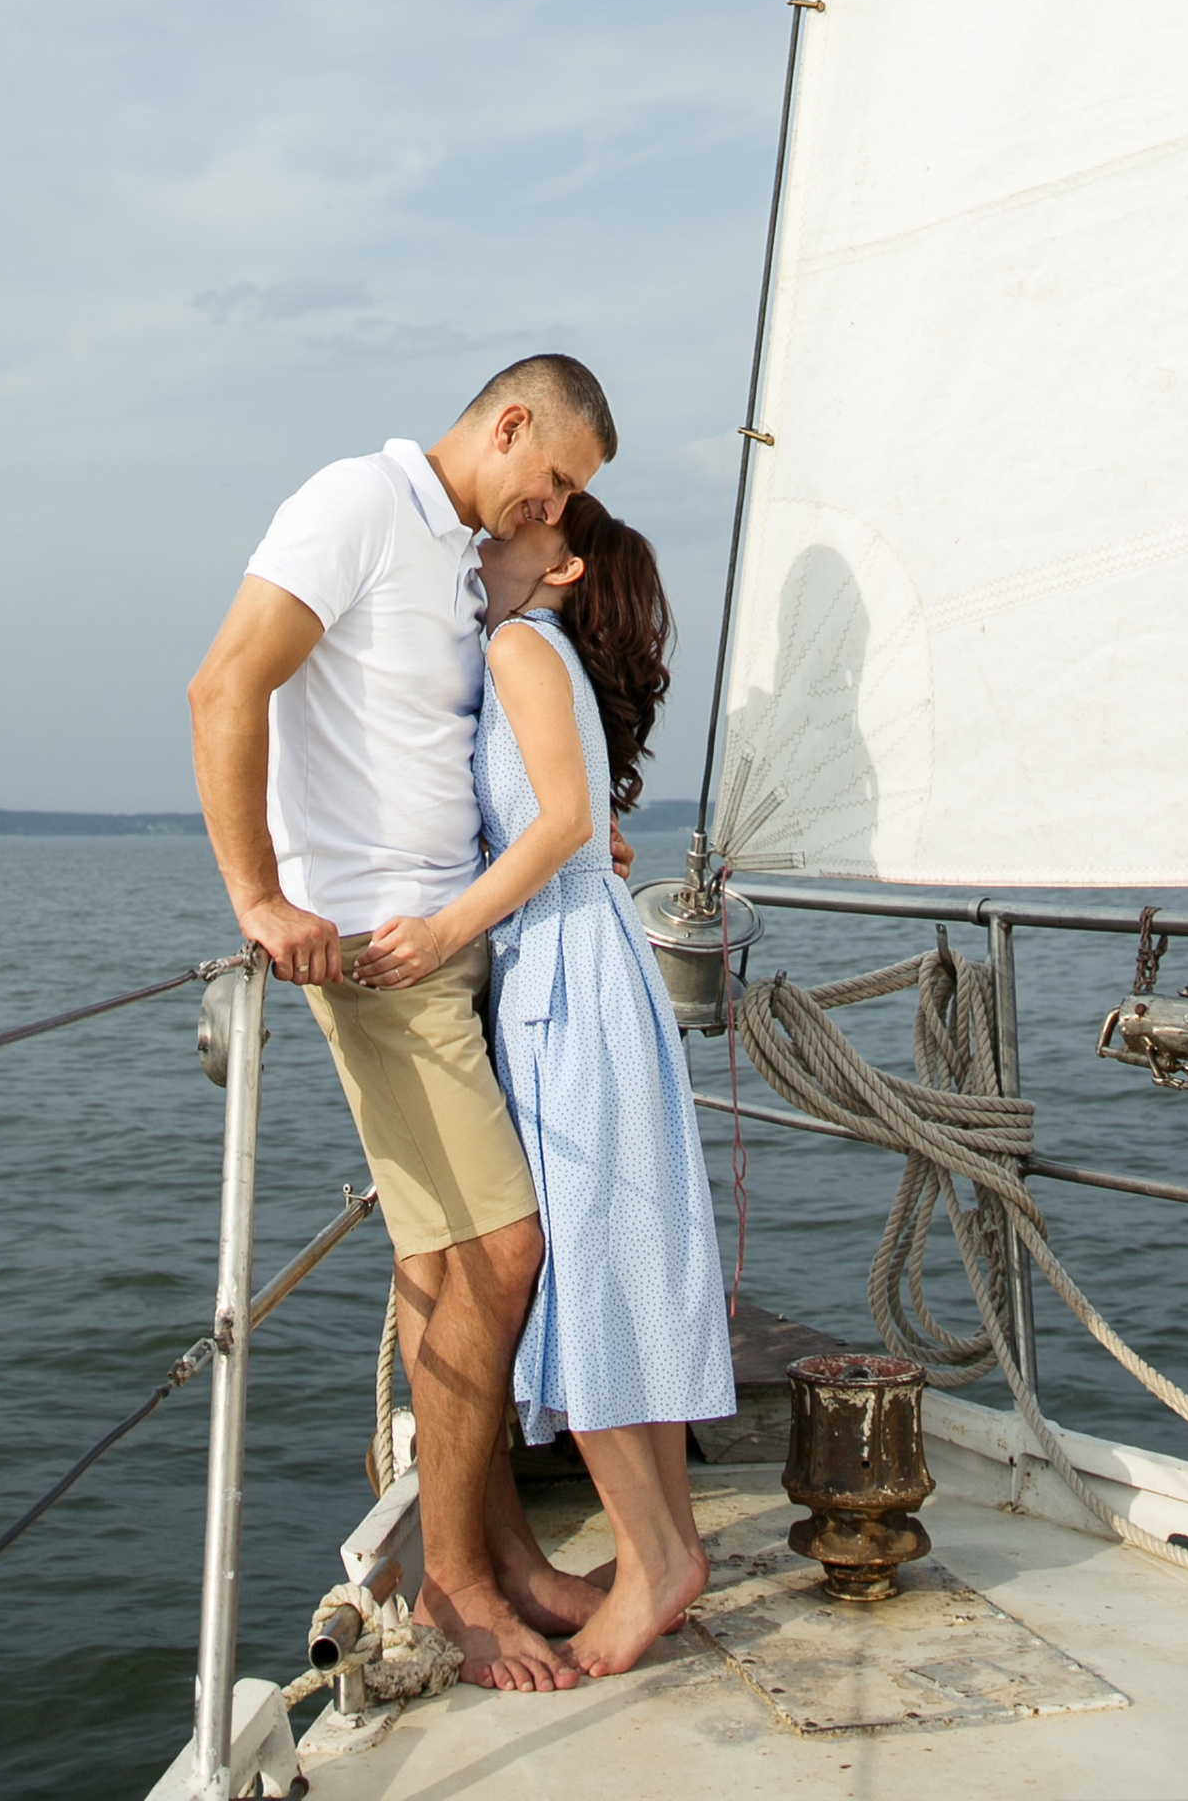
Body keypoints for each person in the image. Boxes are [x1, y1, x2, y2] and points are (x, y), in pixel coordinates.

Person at [186, 357, 616, 1693]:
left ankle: (497, 1551)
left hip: (447, 955)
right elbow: (225, 685)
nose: (551, 509)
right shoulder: (355, 505)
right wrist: (258, 895)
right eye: (554, 480)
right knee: (503, 1251)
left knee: (446, 1262)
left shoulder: (448, 551)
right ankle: (457, 1587)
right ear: (506, 425)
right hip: (384, 962)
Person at [357, 495, 736, 1677]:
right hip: (578, 966)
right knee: (615, 1254)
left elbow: (564, 818)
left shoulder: (523, 644)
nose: (486, 538)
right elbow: (568, 822)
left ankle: (656, 1558)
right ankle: (659, 1547)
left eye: (516, 533)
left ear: (562, 565)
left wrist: (439, 931)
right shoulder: (540, 651)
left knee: (590, 1268)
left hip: (563, 978)